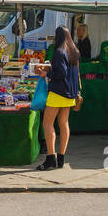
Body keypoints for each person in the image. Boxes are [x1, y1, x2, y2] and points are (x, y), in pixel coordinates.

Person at [35, 25, 82, 170]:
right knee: (63, 123)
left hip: (58, 92)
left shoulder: (59, 52)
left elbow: (61, 73)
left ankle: (50, 159)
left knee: (47, 124)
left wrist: (46, 74)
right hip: (70, 94)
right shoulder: (74, 51)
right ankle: (61, 158)